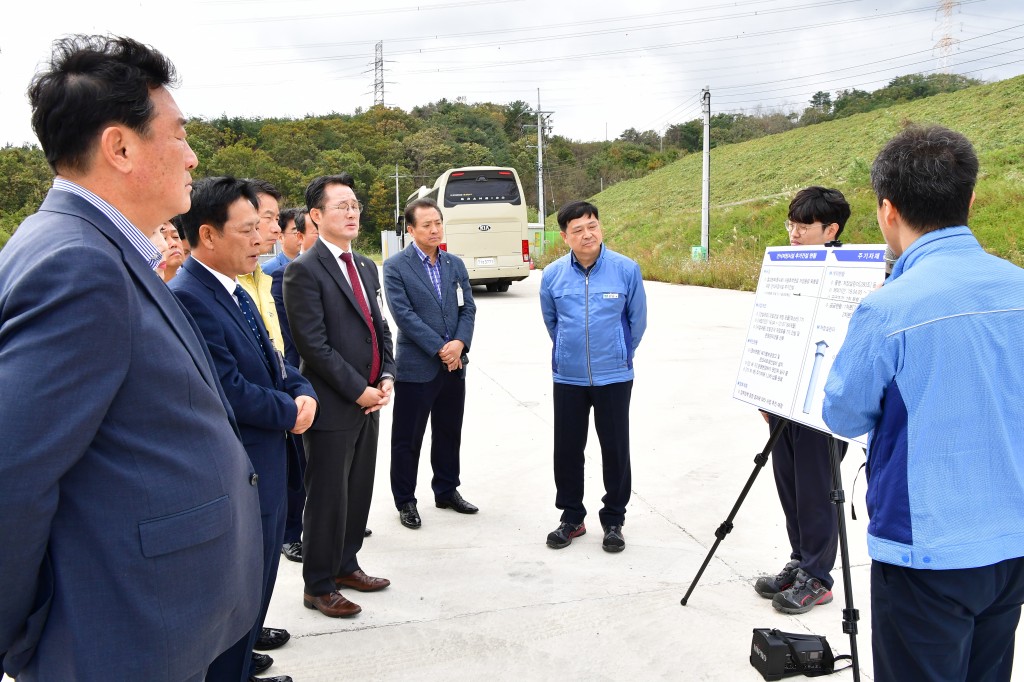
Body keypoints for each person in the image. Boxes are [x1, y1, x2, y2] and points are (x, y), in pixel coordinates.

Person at [0, 35, 262, 682]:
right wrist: (29, 633)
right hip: (121, 634)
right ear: (119, 147)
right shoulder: (78, 265)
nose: (192, 155)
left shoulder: (95, 249)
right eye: (177, 135)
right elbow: (12, 474)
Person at [823, 125, 1024, 682]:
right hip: (1012, 541)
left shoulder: (889, 309)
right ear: (972, 199)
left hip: (926, 550)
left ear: (888, 210)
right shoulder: (1019, 286)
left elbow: (841, 413)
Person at [171, 177, 318, 682]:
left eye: (263, 228)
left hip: (269, 461)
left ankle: (243, 661)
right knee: (236, 588)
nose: (263, 239)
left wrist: (303, 391)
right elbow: (226, 389)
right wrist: (290, 411)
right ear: (207, 235)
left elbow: (274, 362)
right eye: (249, 229)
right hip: (241, 468)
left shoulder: (233, 289)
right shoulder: (189, 296)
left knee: (256, 579)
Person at [283, 173, 396, 618]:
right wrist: (358, 391)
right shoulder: (303, 270)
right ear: (315, 215)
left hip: (371, 401)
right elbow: (314, 346)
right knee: (327, 496)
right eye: (341, 206)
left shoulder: (365, 265)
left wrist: (387, 375)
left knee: (357, 491)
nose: (352, 213)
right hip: (334, 405)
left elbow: (381, 327)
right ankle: (317, 584)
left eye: (355, 205)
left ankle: (347, 565)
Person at [753, 187, 850, 615]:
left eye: (804, 226)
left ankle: (819, 577)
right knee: (788, 482)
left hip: (824, 404)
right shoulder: (786, 268)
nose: (793, 233)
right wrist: (764, 389)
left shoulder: (855, 272)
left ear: (831, 230)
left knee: (817, 489)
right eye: (791, 224)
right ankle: (800, 559)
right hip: (784, 398)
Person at [539, 200, 647, 553]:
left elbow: (637, 321)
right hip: (568, 376)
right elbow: (552, 322)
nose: (588, 234)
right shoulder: (552, 275)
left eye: (593, 226)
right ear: (564, 236)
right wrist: (567, 352)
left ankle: (614, 518)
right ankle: (572, 517)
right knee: (568, 448)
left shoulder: (626, 270)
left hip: (614, 374)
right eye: (578, 229)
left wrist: (619, 352)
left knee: (615, 448)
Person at [383, 197, 478, 529]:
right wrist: (441, 348)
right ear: (411, 230)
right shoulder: (396, 267)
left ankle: (447, 490)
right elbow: (404, 317)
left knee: (449, 432)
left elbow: (468, 308)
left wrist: (460, 344)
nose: (435, 229)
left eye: (438, 223)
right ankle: (405, 500)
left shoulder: (454, 264)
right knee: (408, 437)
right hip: (417, 367)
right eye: (427, 225)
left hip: (454, 365)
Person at [238, 179, 284, 355]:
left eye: (277, 219)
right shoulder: (230, 282)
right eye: (268, 218)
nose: (277, 228)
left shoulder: (262, 277)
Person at [263, 207, 301, 276]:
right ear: (280, 237)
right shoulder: (268, 270)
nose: (301, 236)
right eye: (296, 232)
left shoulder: (314, 264)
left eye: (304, 231)